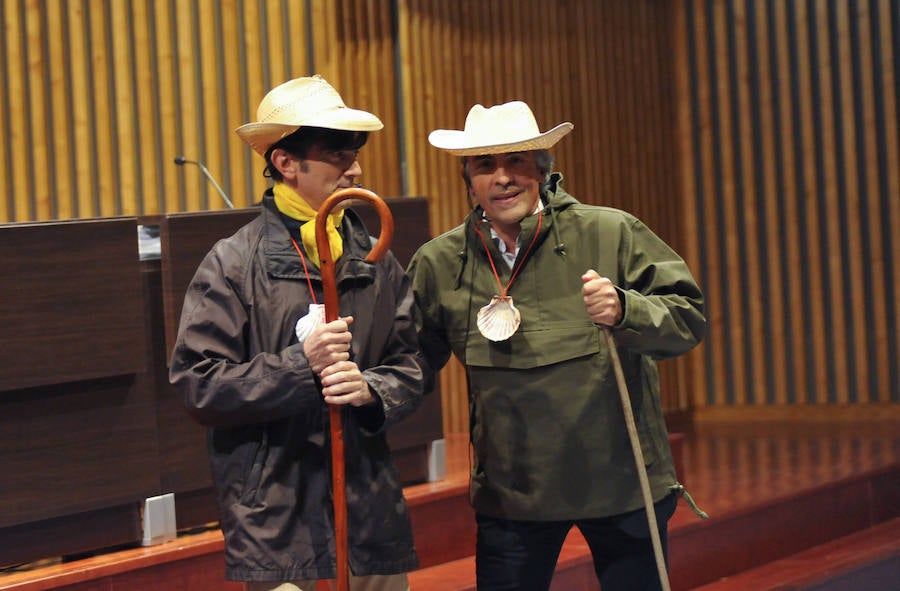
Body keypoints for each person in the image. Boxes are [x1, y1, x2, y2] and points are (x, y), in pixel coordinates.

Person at [407, 100, 707, 591]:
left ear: (543, 170)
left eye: (517, 161)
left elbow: (688, 319)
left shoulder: (611, 232)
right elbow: (409, 362)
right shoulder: (440, 262)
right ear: (468, 179)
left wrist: (627, 309)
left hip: (622, 483)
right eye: (485, 165)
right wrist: (363, 386)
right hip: (513, 495)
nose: (501, 178)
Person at [169, 75, 424, 591]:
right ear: (286, 163)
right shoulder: (234, 263)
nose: (355, 168)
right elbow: (198, 384)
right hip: (276, 518)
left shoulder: (375, 257)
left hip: (368, 512)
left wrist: (373, 390)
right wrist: (298, 365)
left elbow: (411, 363)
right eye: (337, 154)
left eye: (354, 153)